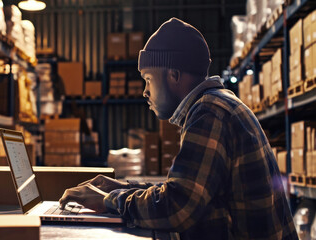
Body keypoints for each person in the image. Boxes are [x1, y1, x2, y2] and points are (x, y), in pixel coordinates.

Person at [59, 18, 298, 239]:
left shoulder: (210, 111)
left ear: (173, 75)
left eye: (148, 79)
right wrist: (127, 187)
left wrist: (109, 200)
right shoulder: (214, 104)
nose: (144, 91)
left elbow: (176, 207)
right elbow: (187, 191)